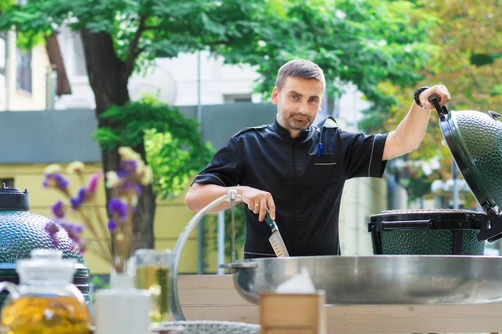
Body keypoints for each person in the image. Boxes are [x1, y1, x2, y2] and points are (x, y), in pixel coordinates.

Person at [185, 59, 451, 259]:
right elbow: (195, 199)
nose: (303, 108)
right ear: (276, 95)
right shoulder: (246, 144)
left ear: (321, 103)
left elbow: (402, 142)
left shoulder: (337, 143)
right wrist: (240, 192)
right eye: (294, 97)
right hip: (262, 276)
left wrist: (420, 103)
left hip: (323, 276)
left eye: (312, 100)